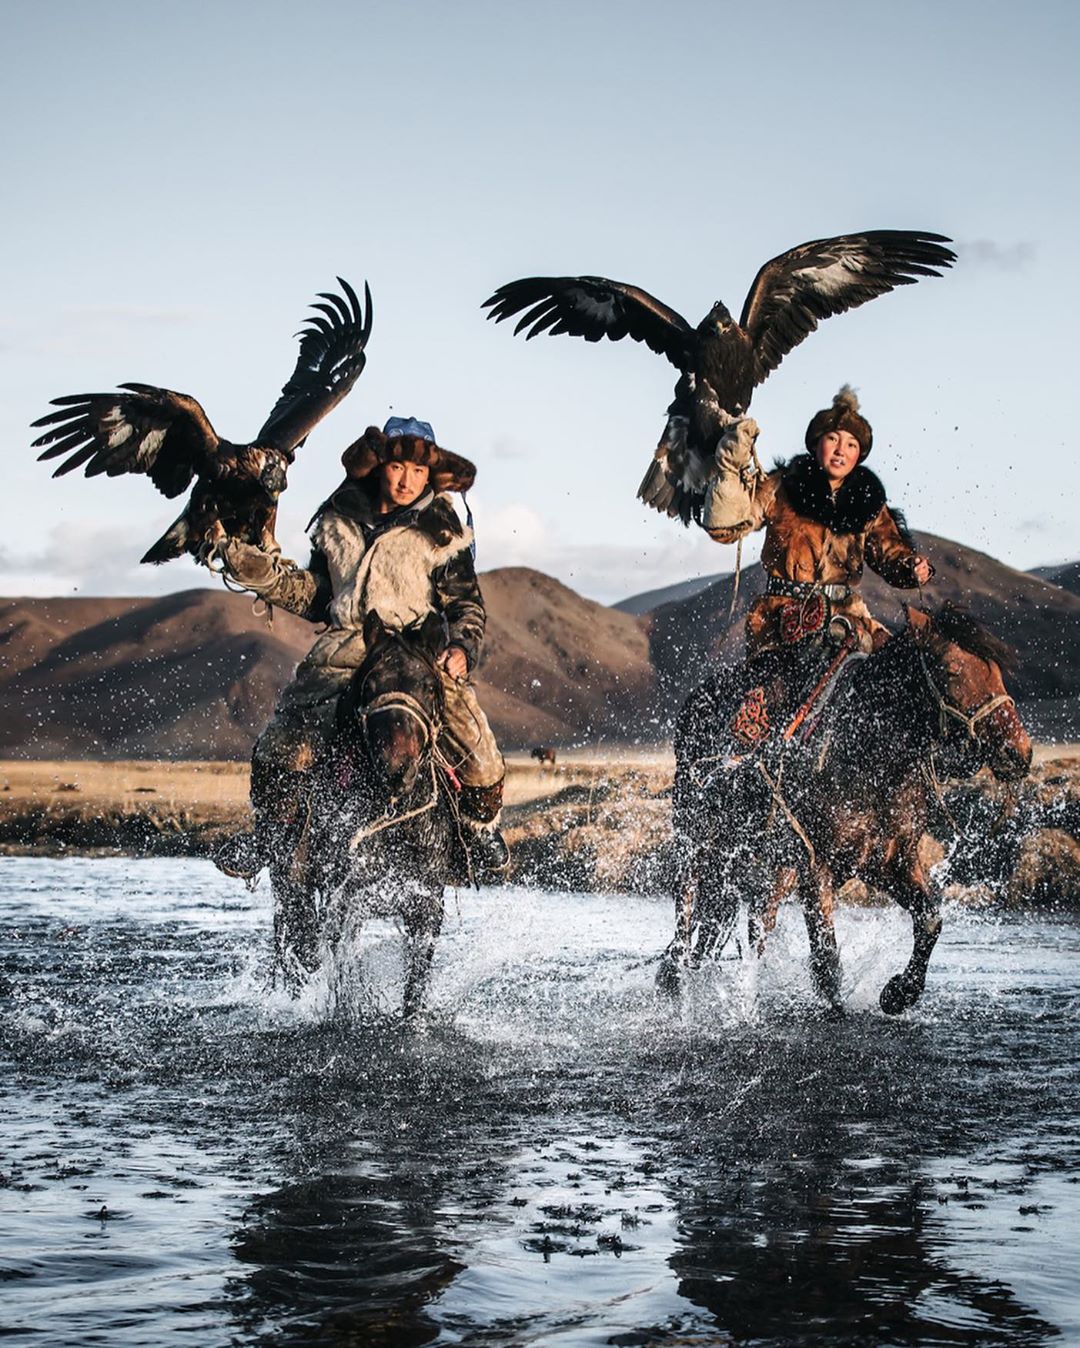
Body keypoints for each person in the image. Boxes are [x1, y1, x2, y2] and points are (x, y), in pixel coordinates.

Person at [214, 415, 508, 878]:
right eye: (398, 468)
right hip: (343, 651)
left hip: (413, 655)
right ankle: (269, 836)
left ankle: (477, 830)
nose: (407, 480)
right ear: (380, 466)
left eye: (418, 471)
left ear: (430, 475)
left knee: (479, 752)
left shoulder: (442, 530)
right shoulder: (336, 520)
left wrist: (461, 650)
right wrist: (265, 578)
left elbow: (466, 606)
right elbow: (318, 596)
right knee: (280, 744)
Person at [700, 386, 933, 745]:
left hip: (849, 617)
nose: (841, 450)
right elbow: (730, 526)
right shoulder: (781, 488)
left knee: (903, 673)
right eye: (833, 439)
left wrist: (912, 566)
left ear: (860, 454)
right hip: (782, 618)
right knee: (766, 700)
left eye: (852, 444)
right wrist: (728, 477)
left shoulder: (868, 502)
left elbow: (890, 553)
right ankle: (752, 769)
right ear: (816, 443)